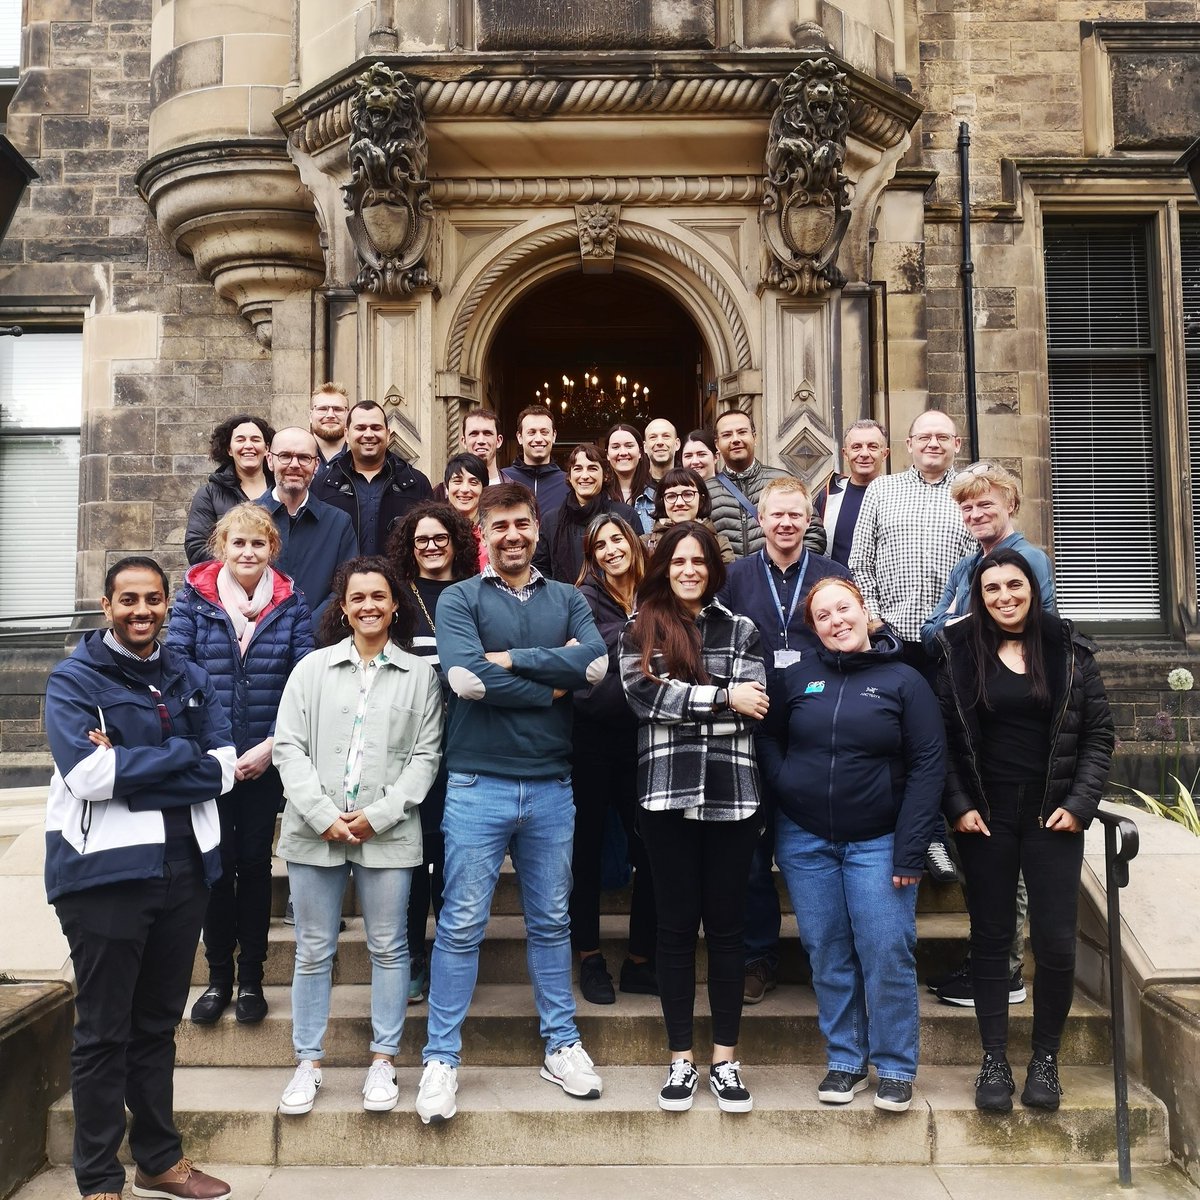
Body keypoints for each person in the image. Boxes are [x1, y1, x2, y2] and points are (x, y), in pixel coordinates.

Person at [45, 556, 236, 1200]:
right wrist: (182, 756)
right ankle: (99, 1179)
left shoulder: (189, 674)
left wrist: (133, 761)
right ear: (106, 606)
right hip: (105, 875)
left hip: (187, 869)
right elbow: (86, 777)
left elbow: (225, 768)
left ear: (167, 603)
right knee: (104, 1031)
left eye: (153, 599)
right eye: (128, 600)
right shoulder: (74, 680)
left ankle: (159, 1159)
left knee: (157, 1023)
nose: (141, 611)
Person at [416, 483, 608, 1124]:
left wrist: (518, 661)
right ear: (482, 533)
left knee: (552, 922)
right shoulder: (458, 599)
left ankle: (562, 1044)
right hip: (477, 782)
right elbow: (466, 679)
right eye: (498, 527)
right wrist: (550, 685)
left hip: (552, 784)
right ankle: (441, 1058)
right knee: (462, 924)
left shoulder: (569, 598)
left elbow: (596, 668)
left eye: (522, 524)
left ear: (536, 527)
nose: (512, 536)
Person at [757, 577, 945, 1114]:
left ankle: (894, 1066)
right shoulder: (796, 677)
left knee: (886, 950)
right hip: (806, 840)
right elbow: (768, 735)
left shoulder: (905, 680)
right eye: (824, 615)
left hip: (879, 842)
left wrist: (911, 848)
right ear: (813, 627)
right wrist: (786, 781)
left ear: (867, 612)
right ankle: (845, 1060)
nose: (836, 621)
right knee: (827, 952)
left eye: (845, 609)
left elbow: (930, 765)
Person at [935, 549, 1114, 1114]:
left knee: (1056, 943)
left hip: (1052, 816)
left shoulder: (1068, 649)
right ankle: (994, 1059)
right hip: (985, 819)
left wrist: (1081, 804)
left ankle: (1045, 1059)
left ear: (1033, 587)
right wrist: (958, 806)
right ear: (978, 597)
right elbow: (940, 741)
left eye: (1014, 586)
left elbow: (1099, 736)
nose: (1004, 598)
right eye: (992, 590)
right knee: (990, 942)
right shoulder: (958, 652)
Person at [273, 556, 443, 1116]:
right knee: (314, 950)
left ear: (396, 605)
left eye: (379, 596)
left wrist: (380, 815)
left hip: (387, 834)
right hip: (313, 830)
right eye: (357, 597)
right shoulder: (312, 670)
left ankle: (383, 1060)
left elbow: (426, 756)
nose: (368, 605)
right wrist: (323, 815)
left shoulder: (421, 676)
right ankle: (308, 1062)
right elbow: (288, 747)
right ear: (342, 608)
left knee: (391, 949)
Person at [619, 522, 769, 1114]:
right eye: (678, 560)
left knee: (727, 933)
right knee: (676, 932)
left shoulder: (743, 630)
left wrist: (698, 700)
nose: (688, 570)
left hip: (733, 795)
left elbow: (754, 707)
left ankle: (726, 1060)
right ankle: (680, 1059)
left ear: (712, 567)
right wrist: (721, 697)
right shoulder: (642, 628)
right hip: (665, 798)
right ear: (664, 566)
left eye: (698, 561)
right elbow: (643, 698)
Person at [167, 503, 315, 1027]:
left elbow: (303, 680)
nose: (248, 553)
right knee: (215, 868)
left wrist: (273, 746)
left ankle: (250, 978)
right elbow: (177, 674)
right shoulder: (193, 601)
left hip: (264, 759)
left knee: (253, 867)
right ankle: (216, 978)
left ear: (271, 548)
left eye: (258, 544)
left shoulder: (291, 602)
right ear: (221, 548)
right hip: (211, 761)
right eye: (238, 544)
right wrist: (217, 751)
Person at [920, 462, 1056, 1008]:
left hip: (1012, 727)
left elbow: (1036, 630)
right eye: (968, 506)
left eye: (986, 504)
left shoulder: (1030, 560)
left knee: (1009, 860)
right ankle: (987, 962)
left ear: (1011, 505)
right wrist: (961, 622)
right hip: (973, 720)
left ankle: (1007, 972)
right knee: (983, 857)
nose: (976, 513)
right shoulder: (966, 565)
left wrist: (961, 621)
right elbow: (933, 634)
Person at [718, 477, 852, 1005]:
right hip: (749, 731)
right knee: (752, 852)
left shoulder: (832, 576)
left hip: (816, 729)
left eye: (796, 515)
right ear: (759, 518)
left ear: (809, 520)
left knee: (815, 846)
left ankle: (834, 958)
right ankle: (758, 956)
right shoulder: (734, 578)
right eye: (777, 515)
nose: (787, 524)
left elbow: (850, 638)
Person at [849, 408, 973, 882]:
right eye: (925, 437)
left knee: (940, 741)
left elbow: (981, 567)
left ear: (957, 444)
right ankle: (907, 838)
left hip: (950, 642)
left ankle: (937, 838)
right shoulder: (882, 490)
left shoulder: (969, 494)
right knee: (893, 740)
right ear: (908, 444)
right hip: (892, 639)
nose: (933, 444)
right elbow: (860, 562)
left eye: (943, 437)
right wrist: (874, 618)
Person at [387, 501, 480, 1003]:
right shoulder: (399, 596)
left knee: (452, 854)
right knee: (413, 852)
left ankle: (450, 952)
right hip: (408, 746)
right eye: (420, 538)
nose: (430, 545)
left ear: (456, 541)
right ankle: (412, 954)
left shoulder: (476, 592)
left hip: (466, 743)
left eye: (439, 537)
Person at [571, 514, 658, 1004]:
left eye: (617, 540)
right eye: (599, 545)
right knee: (584, 853)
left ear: (633, 542)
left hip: (648, 739)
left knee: (649, 852)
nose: (610, 550)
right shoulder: (580, 599)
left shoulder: (657, 593)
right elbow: (580, 656)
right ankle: (589, 958)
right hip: (590, 738)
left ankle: (641, 960)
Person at [258, 426, 358, 622]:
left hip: (318, 644)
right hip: (256, 643)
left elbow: (345, 586)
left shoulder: (338, 523)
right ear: (270, 460)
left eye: (304, 458)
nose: (294, 465)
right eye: (285, 456)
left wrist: (307, 631)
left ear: (316, 465)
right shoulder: (243, 521)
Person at [316, 399, 434, 555]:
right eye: (361, 428)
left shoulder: (416, 484)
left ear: (388, 433)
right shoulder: (322, 486)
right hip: (341, 579)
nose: (369, 434)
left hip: (398, 579)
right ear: (346, 434)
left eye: (376, 428)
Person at [707, 408, 826, 558]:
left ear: (755, 438)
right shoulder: (706, 491)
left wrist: (787, 570)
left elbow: (814, 535)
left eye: (742, 432)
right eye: (727, 435)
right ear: (717, 444)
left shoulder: (782, 481)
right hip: (728, 579)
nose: (735, 439)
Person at [542, 442, 639, 582]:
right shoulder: (551, 520)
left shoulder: (625, 515)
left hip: (613, 601)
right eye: (578, 469)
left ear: (605, 475)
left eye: (592, 468)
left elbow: (638, 562)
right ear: (569, 476)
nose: (585, 475)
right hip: (563, 601)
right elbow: (540, 568)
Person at [185, 413, 275, 564]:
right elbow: (196, 547)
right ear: (229, 450)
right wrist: (241, 568)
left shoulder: (282, 492)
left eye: (255, 439)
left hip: (276, 584)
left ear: (267, 449)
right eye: (240, 440)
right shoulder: (209, 494)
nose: (248, 445)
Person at [814, 419, 890, 566]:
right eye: (856, 447)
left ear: (885, 453)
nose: (864, 453)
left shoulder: (898, 496)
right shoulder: (828, 497)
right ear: (845, 453)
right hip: (837, 584)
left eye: (872, 447)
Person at [642, 466, 735, 563]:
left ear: (701, 500)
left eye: (688, 494)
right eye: (671, 496)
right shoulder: (645, 543)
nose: (679, 503)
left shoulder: (719, 544)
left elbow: (727, 577)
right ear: (662, 501)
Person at [502, 404, 568, 519]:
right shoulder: (502, 478)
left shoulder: (569, 483)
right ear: (520, 437)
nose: (538, 439)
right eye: (531, 432)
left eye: (544, 432)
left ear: (554, 436)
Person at [442, 451, 490, 570]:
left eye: (473, 482)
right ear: (446, 487)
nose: (464, 489)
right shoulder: (437, 531)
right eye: (457, 481)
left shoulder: (491, 532)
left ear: (484, 489)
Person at [605, 422, 654, 531]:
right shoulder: (599, 497)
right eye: (615, 447)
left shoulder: (656, 495)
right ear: (607, 454)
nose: (623, 452)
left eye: (629, 446)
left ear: (640, 452)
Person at [309, 382, 349, 482]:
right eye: (322, 409)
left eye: (338, 409)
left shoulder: (361, 457)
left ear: (348, 415)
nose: (330, 415)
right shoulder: (296, 457)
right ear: (310, 416)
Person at [644, 417, 680, 485]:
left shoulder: (689, 484)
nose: (659, 442)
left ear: (677, 444)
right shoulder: (635, 487)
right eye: (653, 437)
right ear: (645, 447)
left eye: (666, 436)